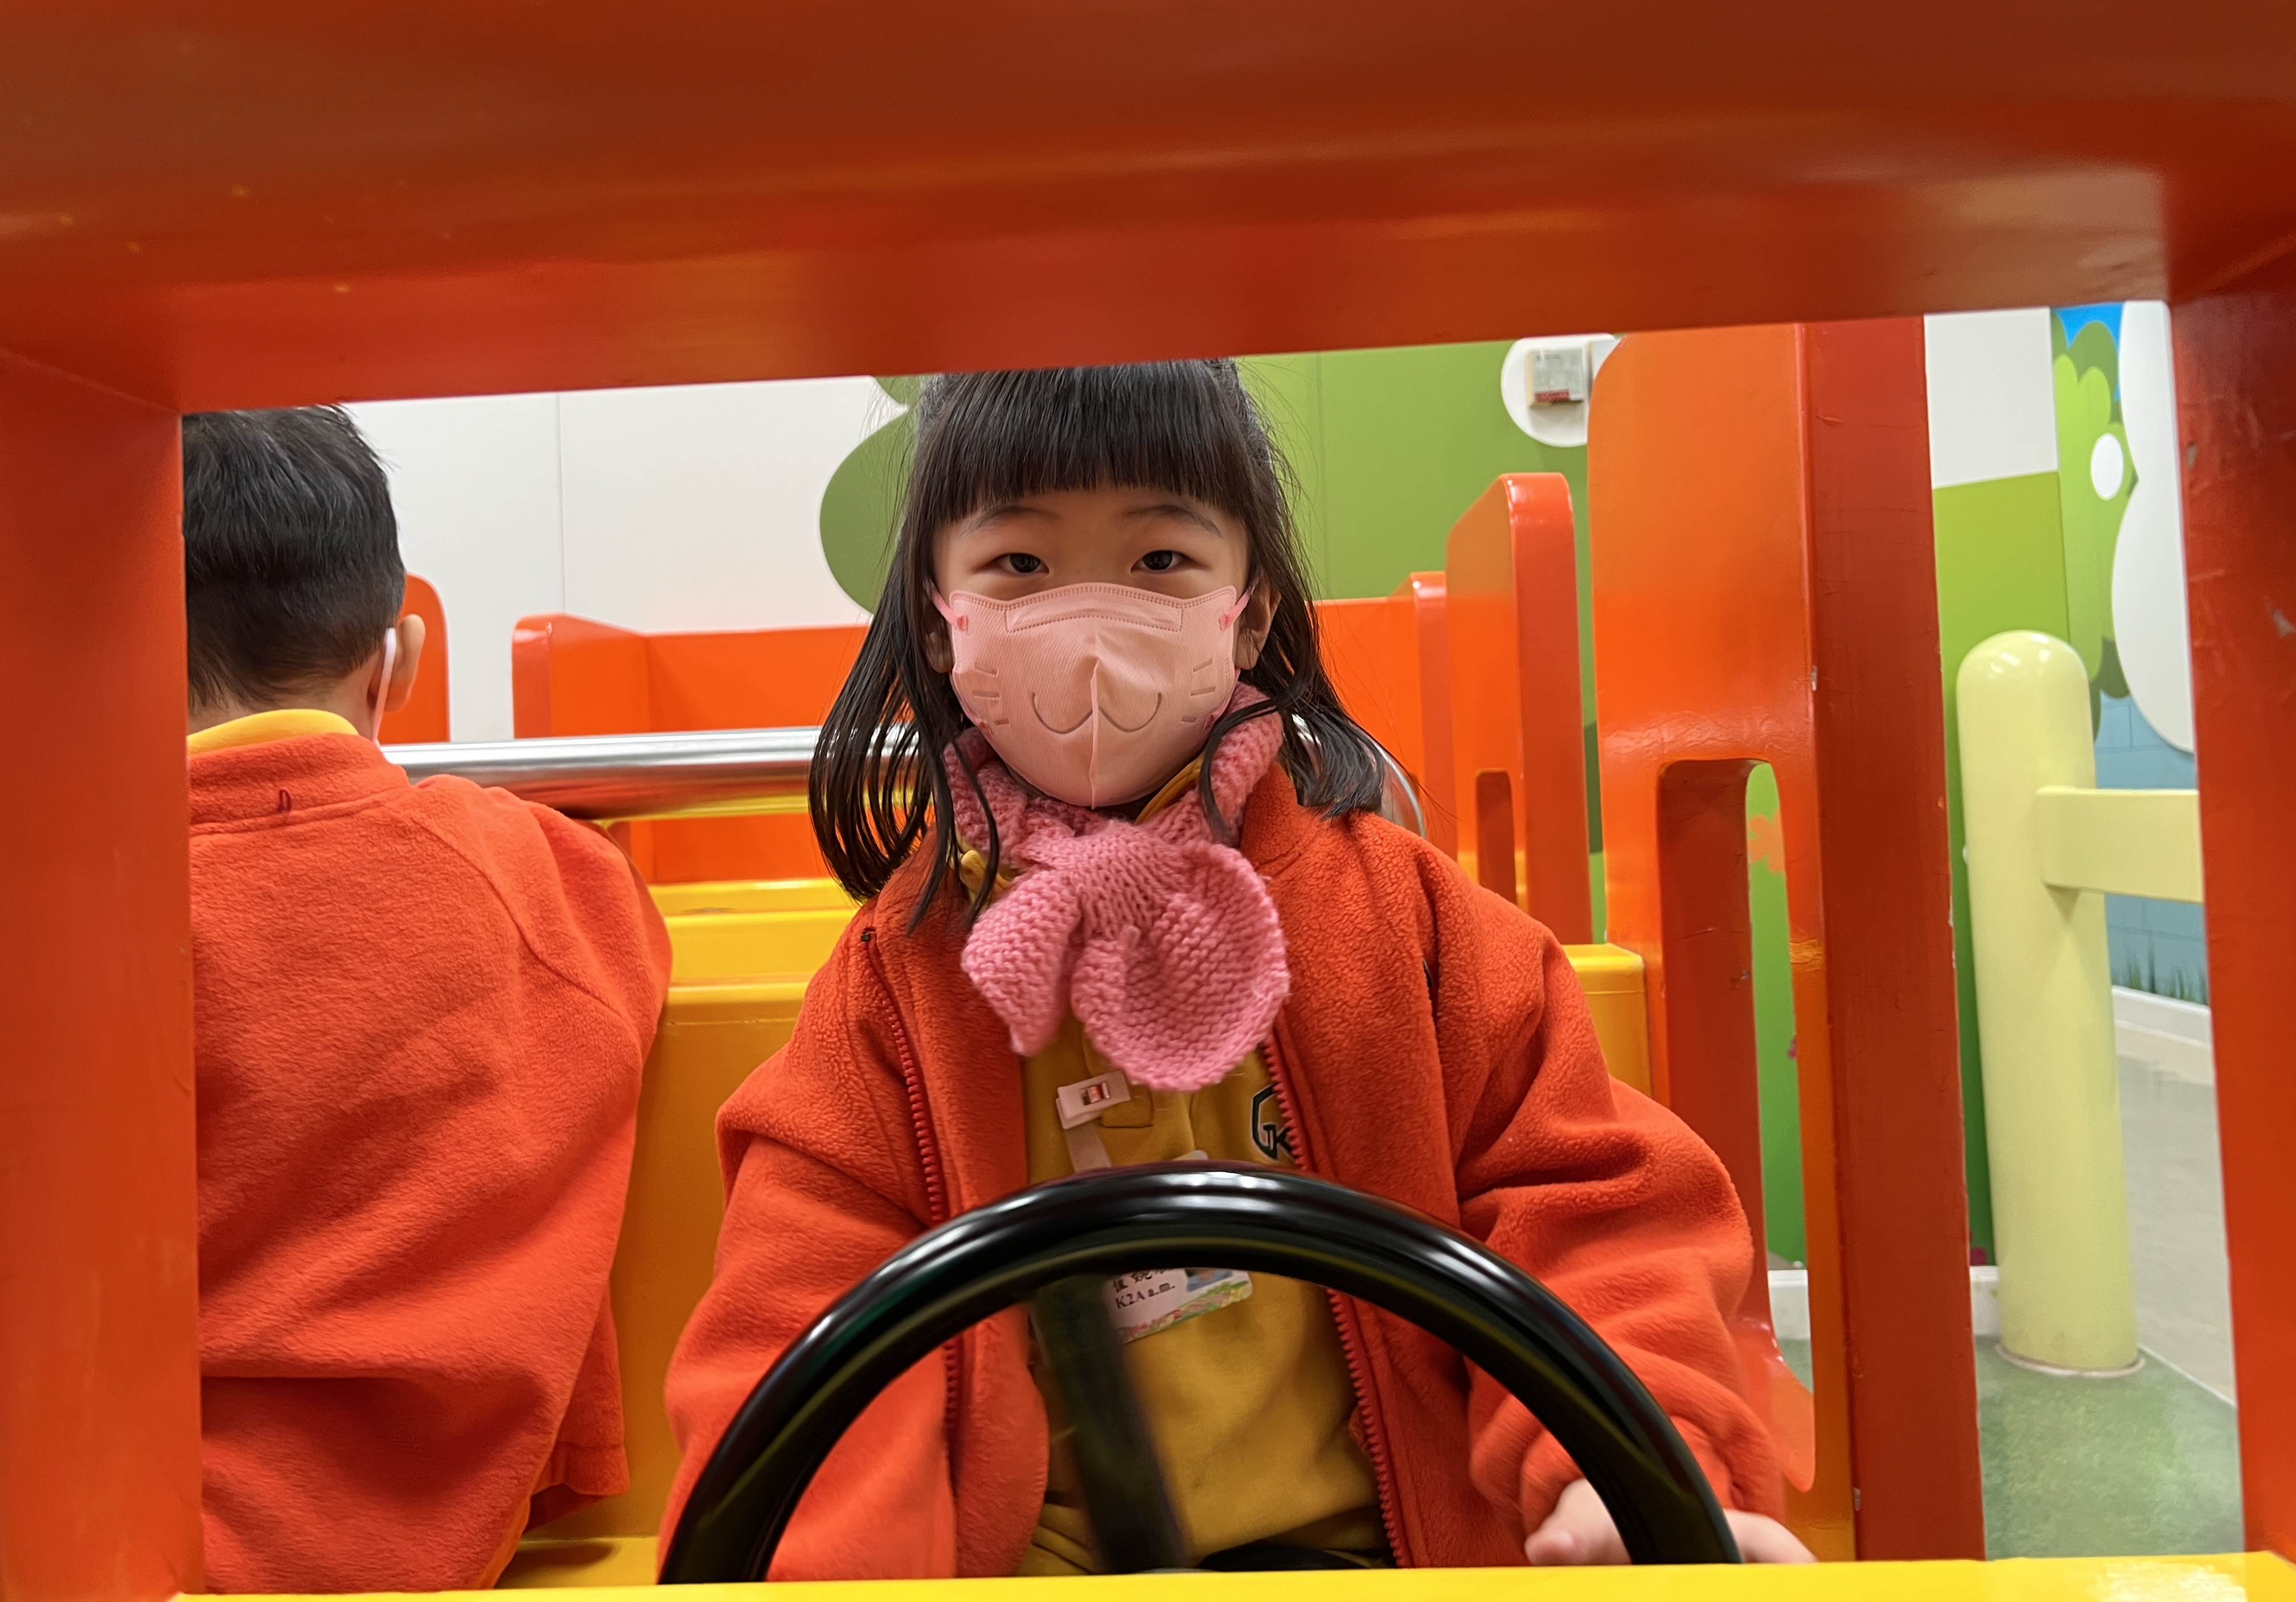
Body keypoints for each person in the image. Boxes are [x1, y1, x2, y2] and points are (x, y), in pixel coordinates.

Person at [661, 363, 1812, 1574]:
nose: (1089, 623)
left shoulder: (1408, 924)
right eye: (1020, 564)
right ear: (940, 620)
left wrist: (1617, 1467)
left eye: (1159, 559)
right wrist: (824, 1570)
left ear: (1249, 616)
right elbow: (806, 1305)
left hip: (1388, 1563)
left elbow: (1591, 1211)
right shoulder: (895, 988)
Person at [185, 407, 671, 1592]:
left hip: (124, 1540)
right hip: (465, 1544)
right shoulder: (549, 880)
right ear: (396, 661)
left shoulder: (58, 916)